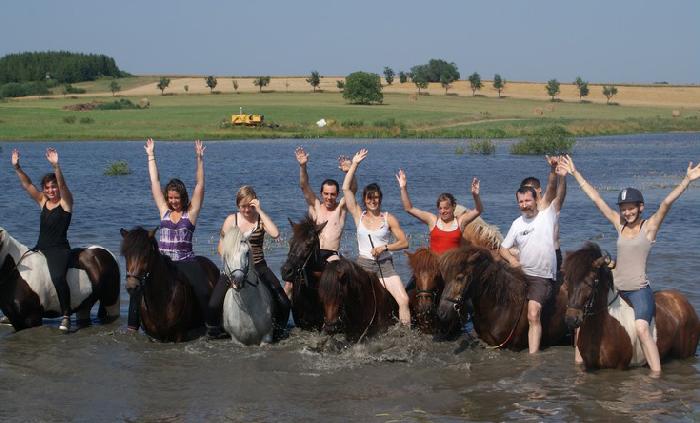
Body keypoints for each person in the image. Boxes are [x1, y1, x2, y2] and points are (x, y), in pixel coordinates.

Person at [559, 155, 700, 373]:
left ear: (641, 207)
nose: (627, 212)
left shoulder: (649, 227)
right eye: (624, 208)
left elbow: (665, 203)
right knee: (585, 318)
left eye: (631, 208)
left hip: (638, 290)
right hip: (617, 287)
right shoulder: (620, 225)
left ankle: (655, 373)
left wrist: (687, 180)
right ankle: (579, 365)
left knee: (642, 329)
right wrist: (575, 173)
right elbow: (597, 200)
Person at [127, 138, 206, 331]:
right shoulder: (164, 210)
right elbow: (155, 182)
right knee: (138, 289)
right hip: (163, 262)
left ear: (183, 197)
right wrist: (151, 156)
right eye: (170, 198)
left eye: (176, 198)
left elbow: (200, 184)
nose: (173, 201)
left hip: (186, 261)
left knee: (203, 290)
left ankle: (209, 325)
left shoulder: (191, 212)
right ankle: (131, 327)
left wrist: (199, 158)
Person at [206, 186, 291, 339]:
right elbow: (221, 247)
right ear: (238, 206)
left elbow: (275, 233)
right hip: (233, 268)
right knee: (213, 304)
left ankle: (279, 330)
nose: (246, 210)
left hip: (258, 266)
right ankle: (216, 332)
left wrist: (260, 210)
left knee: (283, 301)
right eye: (243, 206)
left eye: (249, 206)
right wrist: (232, 266)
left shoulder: (259, 219)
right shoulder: (232, 220)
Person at [499, 165, 567, 353]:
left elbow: (556, 192)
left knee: (533, 313)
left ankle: (533, 357)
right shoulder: (517, 223)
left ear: (536, 199)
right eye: (520, 202)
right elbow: (503, 248)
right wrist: (511, 261)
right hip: (520, 275)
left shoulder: (548, 214)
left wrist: (556, 173)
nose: (524, 205)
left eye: (527, 200)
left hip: (541, 277)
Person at [343, 149, 411, 325]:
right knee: (348, 299)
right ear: (364, 200)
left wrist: (385, 247)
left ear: (381, 200)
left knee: (404, 300)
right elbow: (345, 188)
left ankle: (406, 335)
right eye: (369, 198)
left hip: (385, 265)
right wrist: (354, 165)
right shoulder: (359, 215)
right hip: (363, 265)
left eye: (376, 198)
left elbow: (404, 243)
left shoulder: (389, 218)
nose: (373, 201)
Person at [12, 148, 74, 332]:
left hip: (59, 250)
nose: (51, 190)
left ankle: (66, 314)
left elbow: (63, 187)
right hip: (40, 247)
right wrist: (17, 167)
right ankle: (15, 310)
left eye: (53, 187)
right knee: (18, 269)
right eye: (47, 187)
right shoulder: (42, 201)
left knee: (57, 277)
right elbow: (28, 185)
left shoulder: (66, 203)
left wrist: (56, 166)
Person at [396, 169, 482, 255]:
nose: (443, 211)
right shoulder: (433, 220)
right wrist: (403, 188)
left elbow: (478, 210)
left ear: (453, 207)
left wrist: (476, 195)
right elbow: (409, 209)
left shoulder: (460, 222)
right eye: (440, 208)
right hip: (435, 266)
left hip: (453, 266)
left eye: (446, 208)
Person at [520, 155, 566, 279]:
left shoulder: (545, 204)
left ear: (539, 190)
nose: (529, 193)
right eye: (526, 190)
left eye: (532, 189)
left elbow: (551, 188)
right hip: (532, 257)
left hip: (551, 254)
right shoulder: (526, 209)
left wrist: (553, 170)